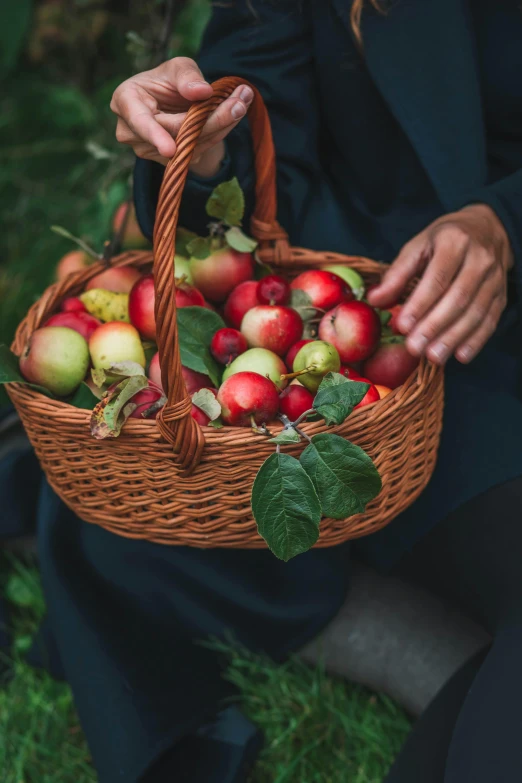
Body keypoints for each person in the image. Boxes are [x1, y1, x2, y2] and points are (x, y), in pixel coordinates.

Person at [3, 0, 522, 780]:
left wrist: (505, 221)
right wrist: (206, 149)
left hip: (482, 347)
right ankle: (448, 658)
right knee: (151, 512)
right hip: (389, 353)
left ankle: (456, 663)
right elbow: (269, 171)